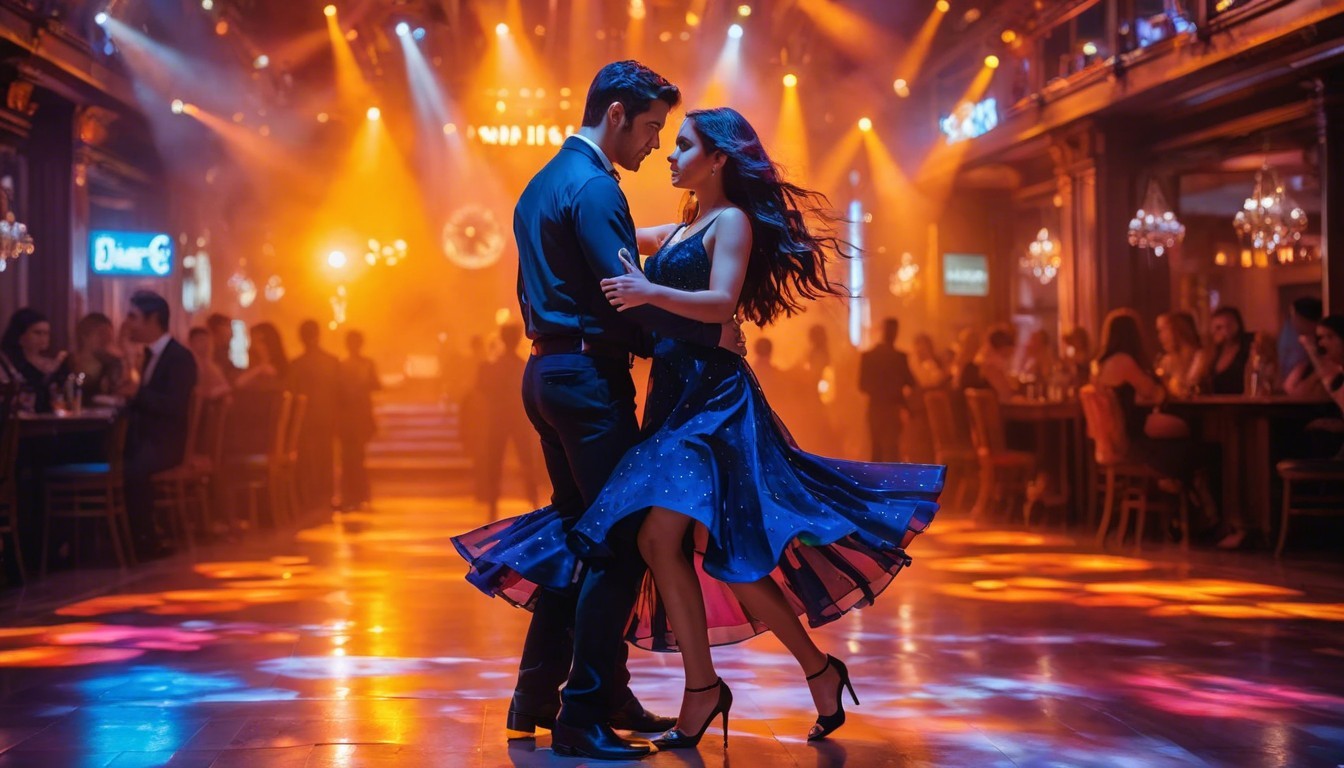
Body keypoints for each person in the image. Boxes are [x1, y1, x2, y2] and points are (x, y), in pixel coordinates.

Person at [456, 105, 940, 755]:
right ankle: (783, 678)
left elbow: (720, 304)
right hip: (672, 402)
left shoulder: (732, 222)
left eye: (681, 145)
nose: (668, 154)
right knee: (692, 552)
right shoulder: (686, 225)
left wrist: (646, 295)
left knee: (680, 544)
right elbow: (616, 238)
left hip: (713, 404)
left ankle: (725, 686)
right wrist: (552, 222)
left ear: (717, 159)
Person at [454, 61, 744, 761]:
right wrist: (708, 335)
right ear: (615, 115)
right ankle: (581, 716)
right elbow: (627, 293)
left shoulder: (544, 182)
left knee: (579, 532)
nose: (653, 146)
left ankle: (546, 694)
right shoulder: (592, 188)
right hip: (586, 376)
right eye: (649, 128)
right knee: (619, 541)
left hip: (549, 371)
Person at [120, 290, 197, 559]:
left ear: (153, 319)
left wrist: (136, 394)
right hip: (145, 439)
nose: (127, 322)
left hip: (166, 444)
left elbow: (174, 406)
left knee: (132, 468)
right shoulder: (147, 355)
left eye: (133, 317)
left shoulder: (179, 357)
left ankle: (144, 542)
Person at [474, 323, 538, 519]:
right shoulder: (524, 366)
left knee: (494, 462)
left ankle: (492, 506)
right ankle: (534, 502)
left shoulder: (491, 367)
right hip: (519, 419)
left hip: (497, 419)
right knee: (526, 461)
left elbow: (481, 389)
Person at [289, 320, 341, 510]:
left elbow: (292, 393)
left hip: (305, 420)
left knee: (307, 459)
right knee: (326, 458)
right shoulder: (332, 362)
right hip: (327, 417)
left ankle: (309, 497)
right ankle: (326, 496)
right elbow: (339, 393)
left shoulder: (296, 364)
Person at [858, 317, 917, 461]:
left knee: (876, 449)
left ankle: (875, 481)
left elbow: (862, 385)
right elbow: (912, 382)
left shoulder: (868, 357)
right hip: (892, 410)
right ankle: (890, 481)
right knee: (892, 450)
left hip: (876, 409)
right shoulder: (899, 358)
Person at [338, 329, 380, 511]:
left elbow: (376, 385)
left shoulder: (363, 364)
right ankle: (353, 495)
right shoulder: (342, 365)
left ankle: (358, 494)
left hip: (358, 416)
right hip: (349, 416)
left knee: (356, 456)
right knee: (349, 457)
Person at [0, 308, 67, 413]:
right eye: (37, 333)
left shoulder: (52, 364)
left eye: (46, 333)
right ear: (21, 336)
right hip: (21, 423)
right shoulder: (8, 366)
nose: (43, 338)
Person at [70, 312, 125, 405]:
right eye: (101, 334)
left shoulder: (113, 363)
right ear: (85, 335)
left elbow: (119, 394)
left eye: (109, 334)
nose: (107, 339)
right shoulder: (68, 362)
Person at [1154, 311, 1208, 398]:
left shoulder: (1200, 357)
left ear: (1179, 331)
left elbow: (1191, 389)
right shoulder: (1165, 362)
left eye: (1164, 329)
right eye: (1159, 331)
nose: (1160, 336)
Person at [1207, 306, 1251, 395]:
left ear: (1235, 326)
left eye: (1219, 327)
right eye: (1213, 328)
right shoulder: (1212, 353)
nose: (1214, 332)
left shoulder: (1248, 350)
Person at [187, 327, 231, 400]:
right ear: (191, 343)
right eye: (201, 340)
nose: (206, 344)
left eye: (209, 341)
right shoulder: (187, 367)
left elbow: (226, 390)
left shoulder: (214, 368)